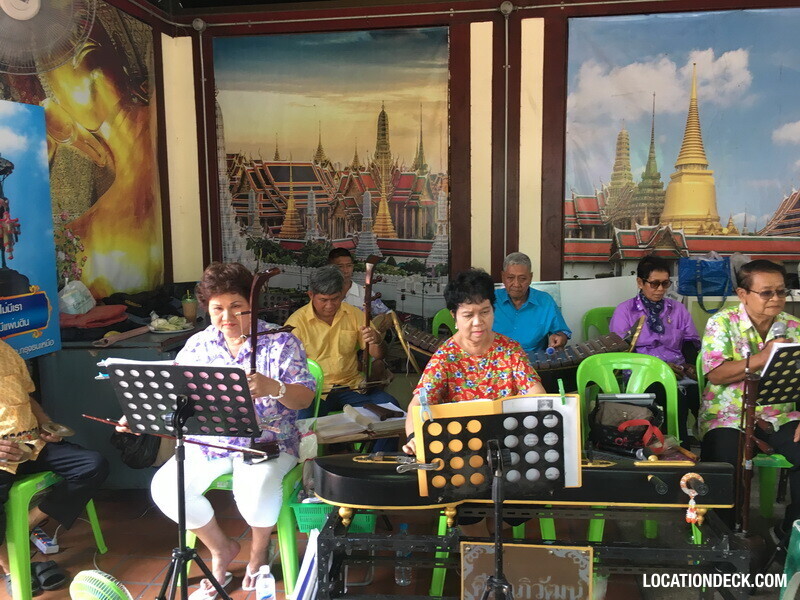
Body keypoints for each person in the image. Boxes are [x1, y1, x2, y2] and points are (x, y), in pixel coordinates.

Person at [120, 262, 316, 598]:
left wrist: (274, 387)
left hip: (267, 441)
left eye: (237, 307)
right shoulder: (199, 344)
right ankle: (221, 548)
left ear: (253, 305)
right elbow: (176, 392)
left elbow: (305, 397)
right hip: (211, 441)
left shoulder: (280, 341)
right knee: (167, 488)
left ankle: (258, 553)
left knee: (254, 491)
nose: (227, 318)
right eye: (217, 309)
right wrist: (141, 415)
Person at [402, 269, 545, 535]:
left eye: (485, 311)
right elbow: (418, 405)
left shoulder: (510, 350)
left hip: (506, 451)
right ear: (454, 317)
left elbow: (535, 393)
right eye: (468, 315)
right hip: (462, 454)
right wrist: (414, 437)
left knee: (511, 507)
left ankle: (496, 547)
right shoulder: (445, 356)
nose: (478, 322)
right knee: (469, 513)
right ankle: (478, 558)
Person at [699, 259, 800, 543]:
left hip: (780, 416)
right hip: (729, 415)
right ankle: (723, 538)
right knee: (724, 463)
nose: (777, 299)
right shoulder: (721, 323)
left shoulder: (794, 327)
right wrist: (763, 357)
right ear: (743, 294)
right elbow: (716, 375)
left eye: (782, 291)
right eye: (766, 292)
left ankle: (789, 534)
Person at [1, 339, 109, 595]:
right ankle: (11, 569)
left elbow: (27, 398)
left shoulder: (5, 350)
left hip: (33, 443)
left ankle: (27, 524)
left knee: (93, 465)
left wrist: (47, 425)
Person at [609, 256, 701, 444]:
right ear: (640, 282)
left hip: (678, 370)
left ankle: (711, 449)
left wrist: (692, 366)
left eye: (665, 283)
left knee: (703, 395)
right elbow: (620, 353)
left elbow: (689, 342)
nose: (660, 289)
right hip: (642, 373)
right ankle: (680, 449)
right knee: (675, 399)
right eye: (654, 284)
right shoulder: (625, 311)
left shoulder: (677, 309)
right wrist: (660, 368)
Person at [286, 266, 398, 419]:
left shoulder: (354, 314)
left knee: (391, 409)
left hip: (351, 387)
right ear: (311, 295)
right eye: (323, 300)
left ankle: (369, 444)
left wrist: (376, 341)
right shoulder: (296, 324)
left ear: (342, 295)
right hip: (316, 392)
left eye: (335, 299)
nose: (330, 305)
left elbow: (378, 355)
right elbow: (289, 370)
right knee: (301, 421)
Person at [493, 252, 571, 358]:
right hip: (496, 363)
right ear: (503, 277)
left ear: (530, 278)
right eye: (510, 277)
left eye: (522, 279)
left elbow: (562, 332)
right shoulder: (491, 300)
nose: (516, 284)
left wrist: (560, 338)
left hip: (535, 363)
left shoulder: (545, 301)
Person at [327, 248, 390, 315]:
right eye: (340, 266)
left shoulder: (365, 293)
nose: (346, 271)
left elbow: (389, 316)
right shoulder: (320, 293)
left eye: (349, 266)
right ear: (330, 268)